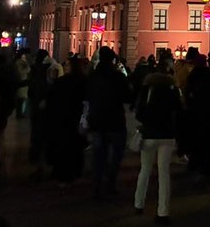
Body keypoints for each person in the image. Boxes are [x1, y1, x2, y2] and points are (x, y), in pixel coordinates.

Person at [134, 60, 184, 223]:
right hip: (167, 135)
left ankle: (138, 203)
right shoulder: (173, 89)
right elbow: (180, 111)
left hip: (149, 134)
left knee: (145, 169)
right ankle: (163, 212)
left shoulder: (147, 89)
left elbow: (139, 112)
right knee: (164, 173)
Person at [86, 46, 133, 199]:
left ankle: (97, 185)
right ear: (113, 59)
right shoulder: (118, 77)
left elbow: (86, 95)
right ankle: (110, 182)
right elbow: (128, 96)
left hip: (97, 120)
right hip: (115, 121)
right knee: (117, 154)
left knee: (99, 154)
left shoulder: (92, 76)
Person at [184, 55, 210, 189]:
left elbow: (188, 96)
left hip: (198, 117)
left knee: (201, 146)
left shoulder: (193, 77)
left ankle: (202, 171)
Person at [45, 57, 87, 185]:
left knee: (63, 146)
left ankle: (63, 173)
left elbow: (52, 99)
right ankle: (76, 171)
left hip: (62, 118)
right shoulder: (84, 81)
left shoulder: (61, 82)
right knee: (77, 146)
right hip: (77, 118)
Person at [14, 51, 31, 119]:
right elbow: (22, 72)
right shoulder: (20, 63)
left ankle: (20, 113)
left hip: (22, 83)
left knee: (21, 100)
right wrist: (28, 68)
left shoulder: (19, 63)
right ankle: (20, 114)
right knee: (21, 100)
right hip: (21, 83)